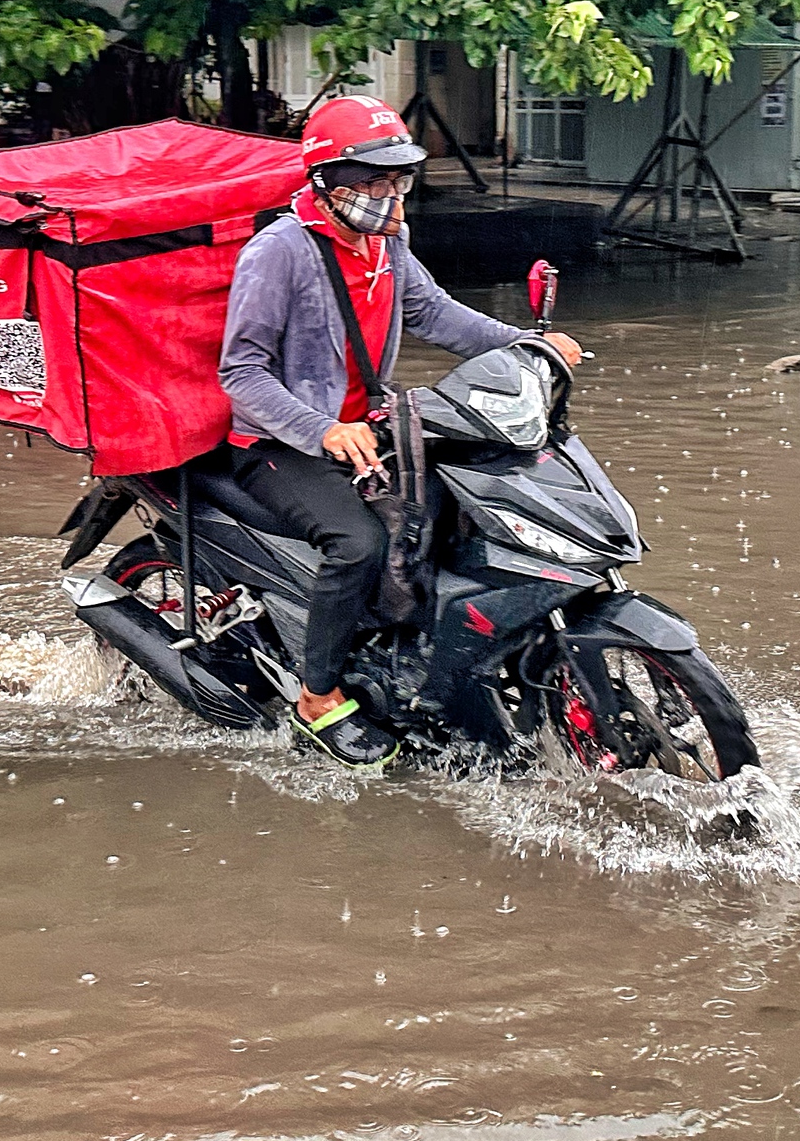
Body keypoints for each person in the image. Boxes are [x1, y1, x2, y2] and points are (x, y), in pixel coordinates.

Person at [218, 95, 585, 769]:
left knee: (460, 511)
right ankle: (317, 698)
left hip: (369, 424)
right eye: (373, 181)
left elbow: (436, 314)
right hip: (277, 445)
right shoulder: (280, 253)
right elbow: (240, 372)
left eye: (397, 180)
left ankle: (420, 659)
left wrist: (531, 346)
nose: (389, 196)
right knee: (358, 543)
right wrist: (321, 429)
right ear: (327, 184)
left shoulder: (387, 242)